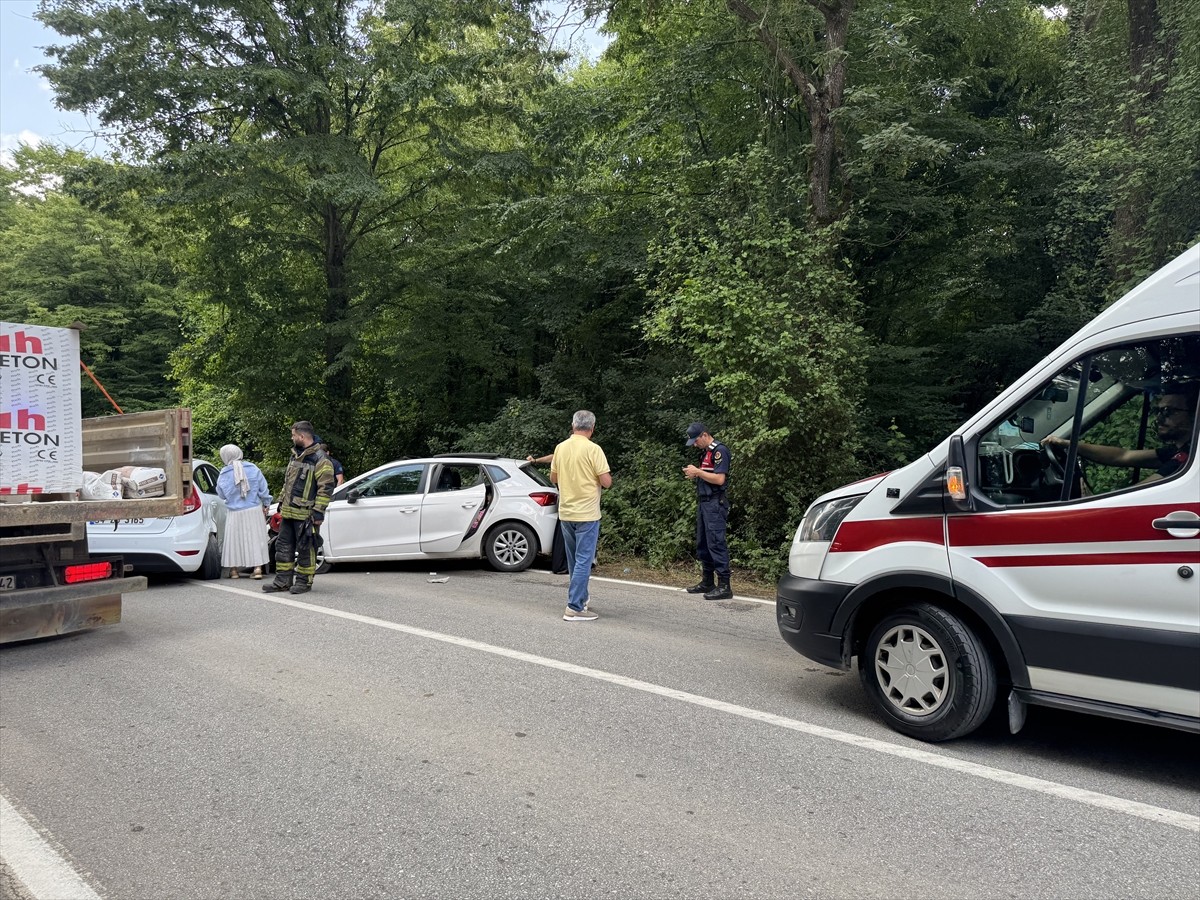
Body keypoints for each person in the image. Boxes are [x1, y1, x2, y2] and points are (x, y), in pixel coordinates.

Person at [1043, 383, 1196, 483]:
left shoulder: (1188, 457)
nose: (1159, 417)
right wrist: (1069, 444)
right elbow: (1122, 456)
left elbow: (1137, 496)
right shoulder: (1178, 450)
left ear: (1194, 415)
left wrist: (1088, 501)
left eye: (1168, 411)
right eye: (1159, 410)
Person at [550, 410, 612, 621]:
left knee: (574, 560)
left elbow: (553, 477)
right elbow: (606, 481)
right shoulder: (594, 449)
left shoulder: (560, 448)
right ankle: (574, 607)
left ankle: (581, 600)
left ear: (573, 425)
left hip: (566, 511)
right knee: (584, 561)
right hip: (587, 513)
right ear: (592, 428)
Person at [263, 421, 336, 595]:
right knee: (283, 547)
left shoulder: (321, 459)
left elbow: (326, 488)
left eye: (294, 435)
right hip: (289, 511)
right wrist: (281, 502)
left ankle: (303, 582)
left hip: (306, 514)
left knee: (306, 549)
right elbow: (288, 482)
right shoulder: (295, 455)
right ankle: (282, 581)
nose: (292, 437)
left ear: (302, 436)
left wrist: (318, 512)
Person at [683, 422, 733, 601]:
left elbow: (719, 479)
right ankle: (707, 581)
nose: (695, 445)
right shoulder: (706, 452)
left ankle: (724, 585)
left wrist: (698, 472)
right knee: (703, 543)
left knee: (716, 543)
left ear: (704, 435)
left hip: (715, 503)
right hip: (704, 503)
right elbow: (707, 475)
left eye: (696, 441)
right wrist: (696, 473)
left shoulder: (720, 451)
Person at [215, 444, 272, 580]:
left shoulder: (224, 473)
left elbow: (221, 494)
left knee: (234, 540)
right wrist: (266, 503)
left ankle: (234, 570)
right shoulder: (253, 469)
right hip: (253, 510)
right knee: (255, 538)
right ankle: (257, 568)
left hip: (235, 512)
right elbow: (263, 489)